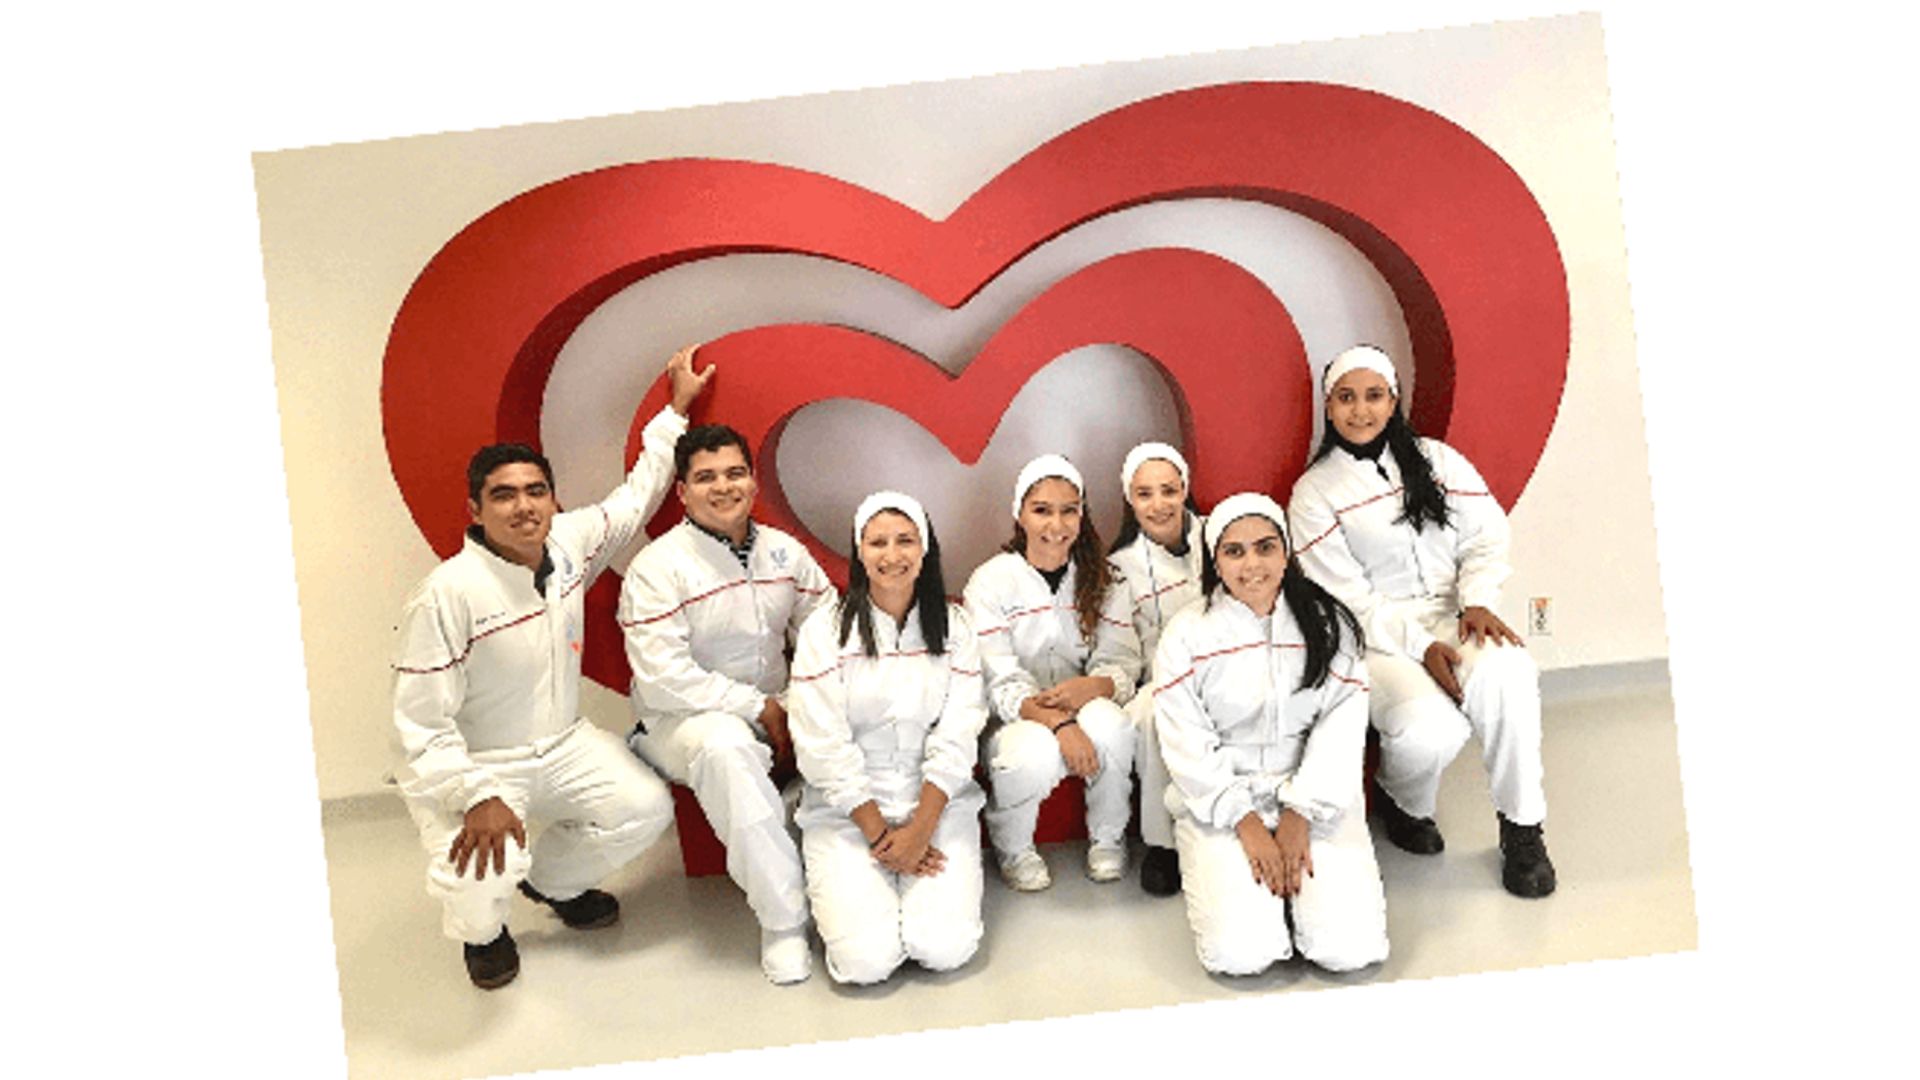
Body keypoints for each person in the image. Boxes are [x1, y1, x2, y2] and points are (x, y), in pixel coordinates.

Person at [391, 344, 712, 989]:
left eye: (536, 491)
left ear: (553, 500)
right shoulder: (446, 593)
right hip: (477, 762)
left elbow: (636, 497)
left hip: (562, 744)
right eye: (503, 496)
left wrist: (675, 412)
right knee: (477, 865)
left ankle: (553, 884)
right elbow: (418, 725)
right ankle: (484, 935)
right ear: (475, 511)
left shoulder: (567, 544)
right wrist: (476, 793)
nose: (524, 507)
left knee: (645, 806)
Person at [1287, 344, 1556, 898]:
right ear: (1328, 408)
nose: (1360, 411)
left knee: (1509, 670)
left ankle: (1523, 829)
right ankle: (1402, 800)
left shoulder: (1439, 461)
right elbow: (1345, 598)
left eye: (1373, 396)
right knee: (1427, 726)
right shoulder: (1314, 492)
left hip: (1454, 613)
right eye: (1345, 399)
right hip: (1375, 637)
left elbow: (1486, 537)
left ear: (1394, 401)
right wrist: (1419, 646)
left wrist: (1478, 599)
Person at [618, 422, 837, 983]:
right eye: (706, 477)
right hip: (681, 724)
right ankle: (785, 921)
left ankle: (858, 886)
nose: (724, 487)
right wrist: (759, 708)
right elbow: (664, 678)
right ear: (683, 492)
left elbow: (825, 626)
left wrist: (795, 700)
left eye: (735, 473)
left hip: (778, 708)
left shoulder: (784, 551)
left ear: (752, 480)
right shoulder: (657, 568)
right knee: (725, 747)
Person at [1154, 492, 1388, 975]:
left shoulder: (1329, 625)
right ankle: (1250, 893)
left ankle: (1304, 905)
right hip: (1226, 802)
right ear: (1214, 560)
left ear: (1286, 551)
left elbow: (1341, 728)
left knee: (1348, 949)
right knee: (1241, 955)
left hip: (1316, 796)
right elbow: (1187, 745)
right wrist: (1248, 823)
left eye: (1265, 547)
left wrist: (1300, 814)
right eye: (1234, 552)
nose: (1252, 565)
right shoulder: (1186, 636)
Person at [786, 492, 989, 984]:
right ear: (859, 551)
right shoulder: (825, 632)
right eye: (878, 543)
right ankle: (856, 888)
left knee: (945, 948)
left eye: (905, 541)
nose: (892, 556)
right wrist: (881, 836)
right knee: (865, 962)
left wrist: (919, 832)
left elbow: (958, 734)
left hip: (936, 808)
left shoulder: (956, 627)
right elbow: (822, 744)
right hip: (848, 813)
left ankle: (906, 884)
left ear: (925, 550)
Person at [964, 454, 1138, 891]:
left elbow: (1121, 662)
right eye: (1041, 510)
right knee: (1033, 751)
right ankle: (1015, 848)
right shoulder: (989, 583)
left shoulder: (1107, 580)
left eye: (1068, 510)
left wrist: (1092, 687)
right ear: (1019, 514)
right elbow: (998, 678)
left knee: (1114, 727)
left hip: (1087, 701)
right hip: (1016, 718)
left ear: (1082, 514)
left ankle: (1107, 838)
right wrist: (1059, 722)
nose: (1055, 524)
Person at [1101, 442, 1206, 897]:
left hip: (1230, 668)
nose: (1159, 504)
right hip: (1162, 681)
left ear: (1185, 489)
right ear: (1130, 500)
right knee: (1147, 714)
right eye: (1145, 494)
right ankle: (1163, 845)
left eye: (1169, 490)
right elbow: (1121, 653)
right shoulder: (1118, 570)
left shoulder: (1224, 536)